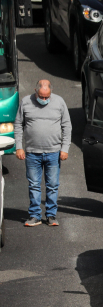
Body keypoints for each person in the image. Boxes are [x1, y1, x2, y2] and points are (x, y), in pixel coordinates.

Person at [13, 79, 71, 227]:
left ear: (51, 92)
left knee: (52, 185)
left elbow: (66, 126)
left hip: (53, 152)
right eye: (41, 96)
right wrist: (19, 146)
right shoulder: (26, 102)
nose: (44, 100)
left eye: (47, 97)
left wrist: (65, 148)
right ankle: (34, 215)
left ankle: (51, 215)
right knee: (34, 185)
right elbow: (18, 124)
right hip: (33, 152)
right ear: (35, 91)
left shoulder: (59, 102)